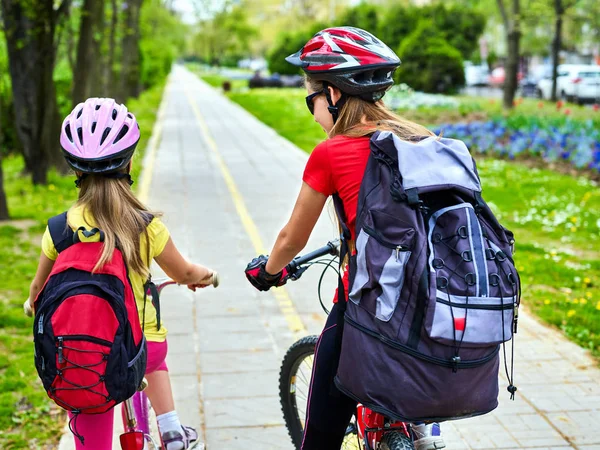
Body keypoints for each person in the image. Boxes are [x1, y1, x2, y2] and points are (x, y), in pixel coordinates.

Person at [245, 27, 445, 450]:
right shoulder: (422, 139)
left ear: (333, 95)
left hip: (368, 309)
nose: (311, 110)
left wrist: (268, 271)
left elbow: (291, 239)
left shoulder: (332, 153)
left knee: (319, 434)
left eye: (310, 98)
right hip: (435, 304)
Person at [27, 98, 215, 450]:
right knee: (152, 352)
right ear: (129, 161)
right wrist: (204, 275)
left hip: (87, 357)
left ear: (74, 170)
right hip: (141, 348)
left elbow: (38, 291)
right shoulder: (146, 228)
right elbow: (183, 270)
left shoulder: (58, 230)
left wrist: (29, 302)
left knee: (92, 424)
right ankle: (171, 429)